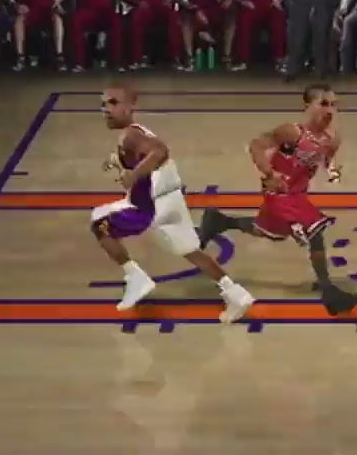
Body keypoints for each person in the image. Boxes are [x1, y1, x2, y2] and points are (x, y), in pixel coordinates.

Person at [197, 83, 357, 317]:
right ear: (307, 106)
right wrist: (269, 173)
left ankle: (220, 221)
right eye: (323, 104)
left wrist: (333, 171)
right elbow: (256, 145)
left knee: (268, 231)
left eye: (334, 105)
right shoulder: (292, 132)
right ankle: (329, 292)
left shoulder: (332, 138)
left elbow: (326, 159)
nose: (329, 110)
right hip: (279, 192)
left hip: (297, 193)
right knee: (315, 230)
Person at [93, 84, 255, 318]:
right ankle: (236, 294)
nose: (106, 109)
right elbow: (143, 156)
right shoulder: (137, 133)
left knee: (99, 223)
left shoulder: (131, 135)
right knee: (191, 251)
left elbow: (160, 152)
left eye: (113, 103)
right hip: (172, 200)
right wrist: (116, 161)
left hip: (154, 206)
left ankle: (135, 277)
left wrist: (134, 175)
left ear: (130, 106)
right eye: (103, 104)